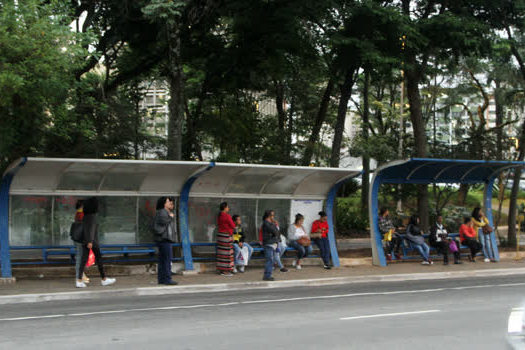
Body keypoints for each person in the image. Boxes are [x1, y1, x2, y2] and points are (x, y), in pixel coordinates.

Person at [76, 197, 116, 288]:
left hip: (86, 241)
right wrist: (90, 241)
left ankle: (79, 280)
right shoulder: (92, 216)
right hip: (92, 241)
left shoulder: (85, 216)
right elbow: (91, 229)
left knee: (83, 260)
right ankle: (103, 279)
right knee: (98, 260)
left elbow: (87, 229)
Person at [152, 196, 178, 285]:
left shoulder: (163, 212)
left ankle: (162, 279)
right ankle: (167, 279)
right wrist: (170, 217)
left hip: (163, 239)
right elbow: (164, 221)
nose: (170, 203)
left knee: (163, 260)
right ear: (163, 204)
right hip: (164, 239)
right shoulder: (163, 212)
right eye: (168, 202)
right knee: (167, 260)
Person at [73, 200, 90, 285]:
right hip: (81, 239)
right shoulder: (81, 214)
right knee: (80, 258)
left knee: (80, 257)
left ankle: (81, 275)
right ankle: (79, 277)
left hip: (77, 238)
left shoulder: (77, 214)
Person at [217, 202, 236, 276]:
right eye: (227, 207)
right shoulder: (227, 216)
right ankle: (226, 270)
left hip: (221, 236)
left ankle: (222, 270)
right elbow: (233, 225)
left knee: (222, 253)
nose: (228, 208)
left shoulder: (219, 216)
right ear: (224, 208)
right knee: (228, 254)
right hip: (226, 236)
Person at [262, 209, 280, 281]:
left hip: (272, 243)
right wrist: (274, 225)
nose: (273, 217)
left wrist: (275, 225)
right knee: (269, 260)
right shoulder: (266, 223)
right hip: (268, 243)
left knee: (271, 260)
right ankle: (267, 275)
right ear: (269, 216)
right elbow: (275, 231)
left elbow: (277, 232)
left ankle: (268, 274)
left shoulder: (270, 223)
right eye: (272, 215)